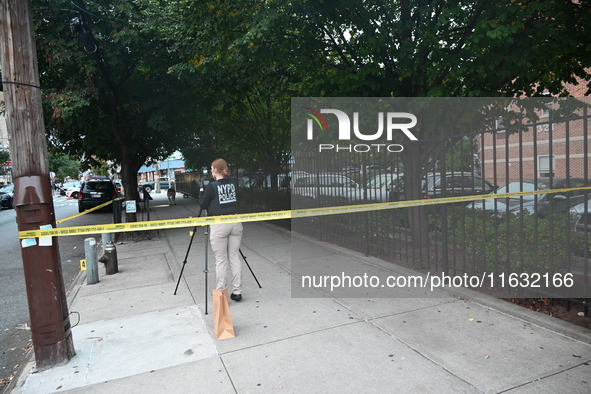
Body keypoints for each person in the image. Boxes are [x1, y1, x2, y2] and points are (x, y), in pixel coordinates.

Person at [199, 158, 244, 301]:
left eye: (212, 168)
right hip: (235, 222)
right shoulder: (233, 183)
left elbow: (203, 204)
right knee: (234, 257)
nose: (211, 170)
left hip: (219, 224)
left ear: (216, 170)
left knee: (221, 260)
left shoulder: (212, 186)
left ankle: (221, 293)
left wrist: (201, 189)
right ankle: (237, 291)